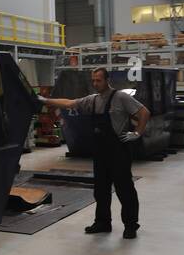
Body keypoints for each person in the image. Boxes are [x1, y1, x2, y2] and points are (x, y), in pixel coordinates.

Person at [41, 68, 149, 239]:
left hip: (118, 151)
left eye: (98, 80)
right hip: (100, 151)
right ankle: (102, 222)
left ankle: (130, 225)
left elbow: (144, 112)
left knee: (124, 189)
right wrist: (46, 100)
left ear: (107, 80)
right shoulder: (92, 100)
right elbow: (69, 103)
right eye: (93, 80)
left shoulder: (121, 97)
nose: (95, 83)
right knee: (101, 190)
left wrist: (137, 133)